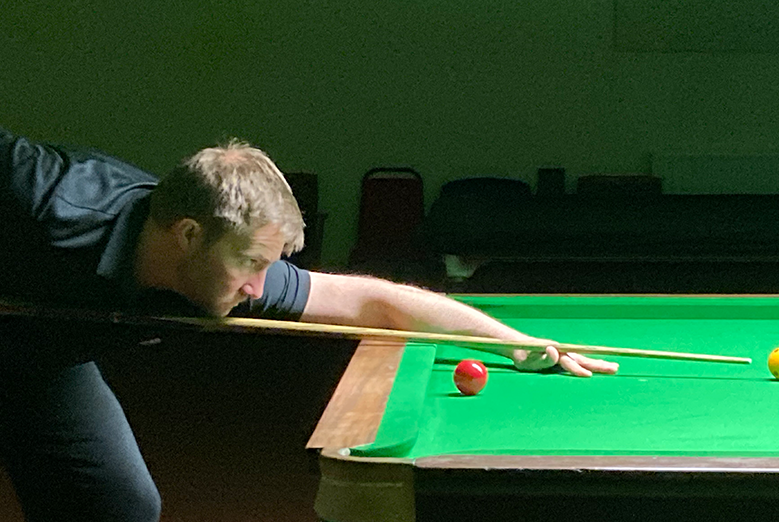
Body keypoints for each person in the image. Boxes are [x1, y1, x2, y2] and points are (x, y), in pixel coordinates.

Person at [0, 126, 618, 521]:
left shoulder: (222, 268)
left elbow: (372, 302)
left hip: (39, 361)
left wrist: (515, 344)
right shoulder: (42, 196)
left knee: (120, 507)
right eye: (251, 263)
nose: (257, 287)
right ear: (188, 234)